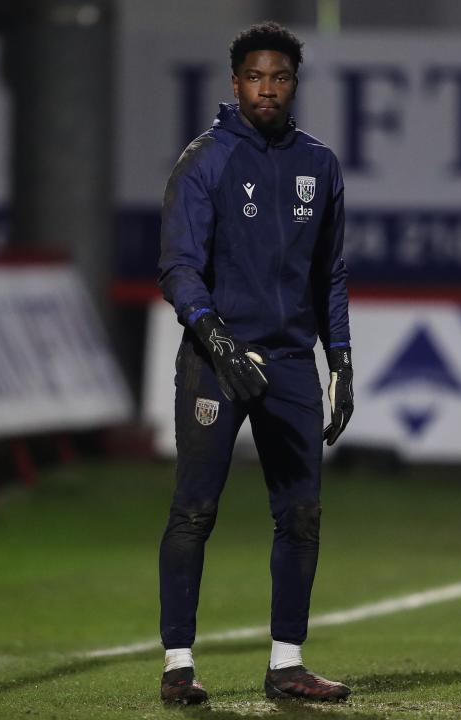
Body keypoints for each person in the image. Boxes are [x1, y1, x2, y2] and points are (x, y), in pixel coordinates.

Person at [156, 21, 354, 705]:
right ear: (234, 81)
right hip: (216, 361)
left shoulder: (319, 165)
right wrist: (217, 341)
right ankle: (178, 667)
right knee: (194, 510)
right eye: (255, 77)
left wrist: (343, 359)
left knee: (300, 515)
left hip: (293, 363)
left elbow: (329, 272)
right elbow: (179, 268)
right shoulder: (206, 160)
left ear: (294, 84)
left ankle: (287, 665)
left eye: (280, 78)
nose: (267, 89)